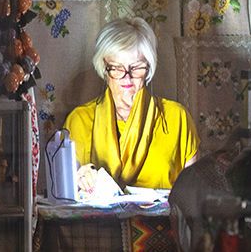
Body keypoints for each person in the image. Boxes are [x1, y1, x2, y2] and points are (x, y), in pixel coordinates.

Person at [64, 17, 198, 190]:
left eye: (136, 67)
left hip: (162, 218)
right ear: (104, 68)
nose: (127, 77)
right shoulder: (79, 121)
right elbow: (66, 195)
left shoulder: (177, 118)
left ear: (149, 67)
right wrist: (79, 179)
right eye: (117, 68)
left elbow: (193, 196)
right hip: (98, 218)